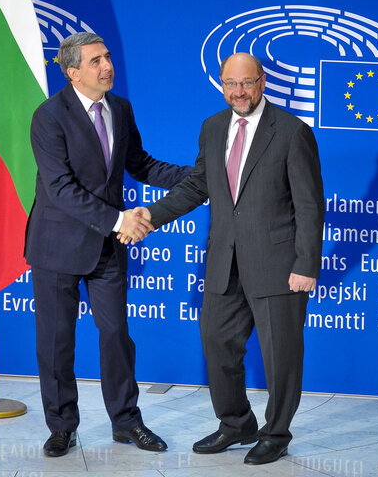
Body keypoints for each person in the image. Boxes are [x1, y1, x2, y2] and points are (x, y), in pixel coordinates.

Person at [133, 53, 324, 465]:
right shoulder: (213, 127)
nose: (238, 92)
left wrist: (307, 264)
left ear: (263, 82)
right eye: (230, 83)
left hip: (278, 265)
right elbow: (198, 185)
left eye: (246, 83)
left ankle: (276, 433)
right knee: (217, 342)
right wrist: (152, 215)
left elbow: (310, 205)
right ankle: (236, 423)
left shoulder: (292, 132)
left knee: (281, 357)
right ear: (222, 84)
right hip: (224, 262)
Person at [25, 32, 191, 457]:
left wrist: (195, 178)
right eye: (96, 60)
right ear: (73, 72)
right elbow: (60, 188)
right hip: (57, 246)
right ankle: (62, 426)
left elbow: (139, 163)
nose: (107, 66)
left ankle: (126, 422)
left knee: (116, 334)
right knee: (58, 340)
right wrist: (120, 219)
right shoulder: (48, 116)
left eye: (108, 57)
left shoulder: (120, 108)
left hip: (106, 249)